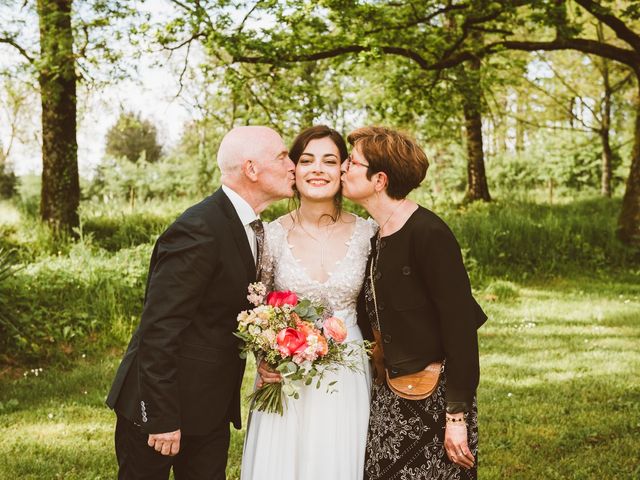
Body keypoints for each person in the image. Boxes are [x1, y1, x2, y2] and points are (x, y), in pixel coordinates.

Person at [106, 126, 295, 479]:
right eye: (282, 157)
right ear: (251, 169)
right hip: (161, 408)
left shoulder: (250, 227)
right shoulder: (199, 228)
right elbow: (159, 328)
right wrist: (161, 418)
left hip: (209, 409)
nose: (293, 166)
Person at [341, 126, 487, 480]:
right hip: (390, 396)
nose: (343, 168)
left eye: (351, 162)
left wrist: (456, 417)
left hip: (435, 400)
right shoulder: (376, 235)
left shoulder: (429, 233)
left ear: (379, 179)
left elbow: (460, 327)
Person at [240, 125, 377, 480]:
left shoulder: (368, 233)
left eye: (330, 161)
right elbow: (257, 304)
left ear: (344, 170)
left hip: (347, 373)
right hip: (287, 379)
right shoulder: (269, 235)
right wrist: (263, 358)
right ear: (294, 171)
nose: (318, 169)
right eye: (307, 160)